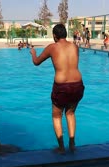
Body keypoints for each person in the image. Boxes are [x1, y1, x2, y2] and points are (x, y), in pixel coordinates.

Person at [30, 24, 85, 154]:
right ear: (66, 34)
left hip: (62, 86)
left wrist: (33, 53)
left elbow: (36, 62)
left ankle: (61, 147)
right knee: (70, 113)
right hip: (77, 84)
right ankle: (72, 144)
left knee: (56, 116)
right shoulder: (74, 47)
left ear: (54, 36)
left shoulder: (52, 47)